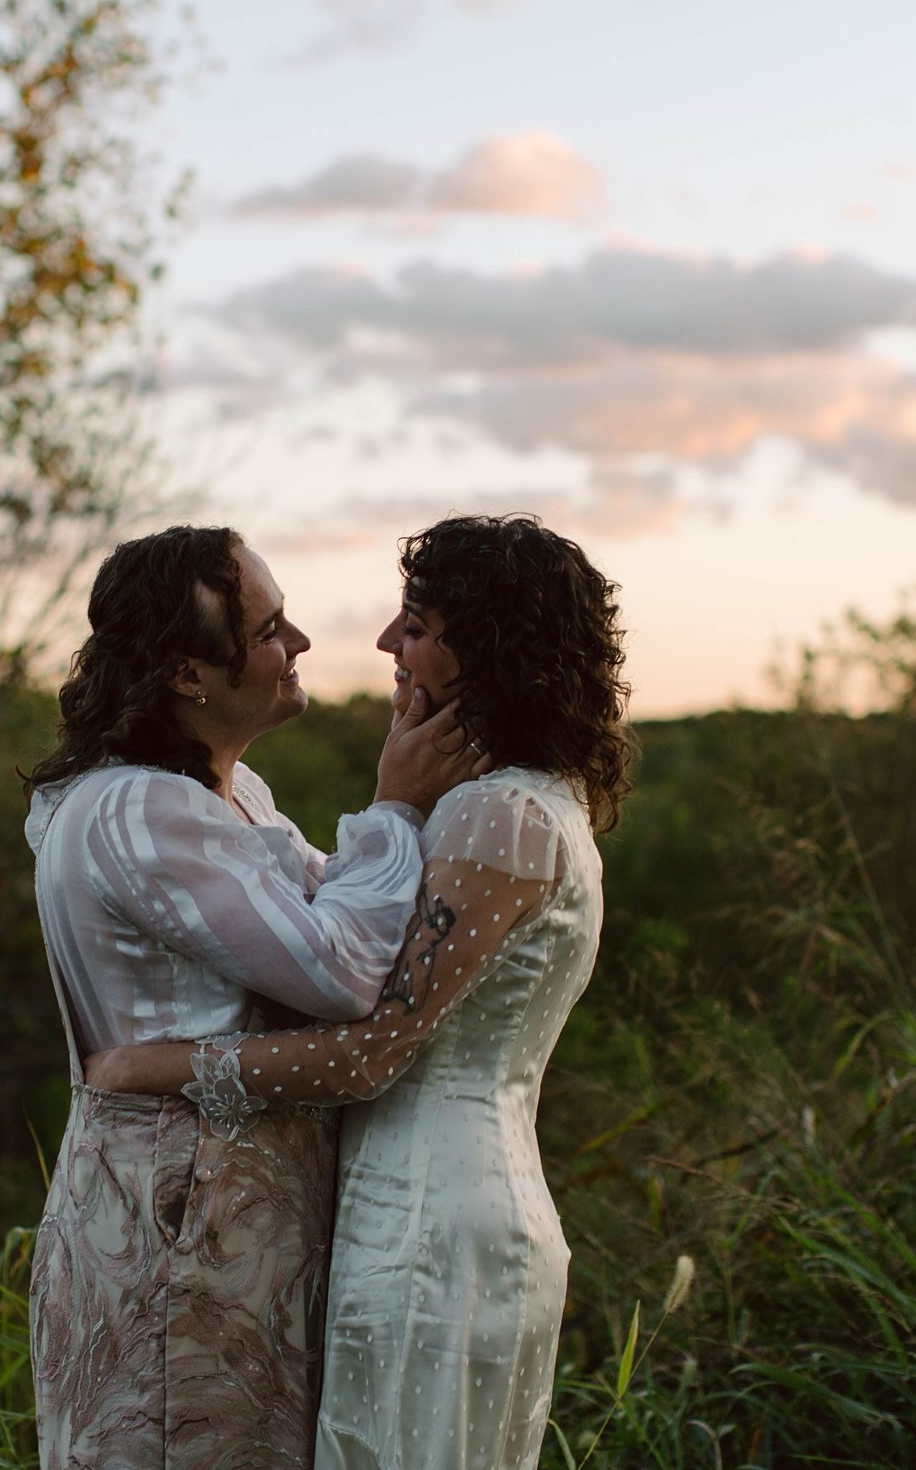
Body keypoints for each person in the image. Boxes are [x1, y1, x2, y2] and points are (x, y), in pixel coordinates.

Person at [84, 513, 635, 1470]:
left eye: (416, 624)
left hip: (430, 1220)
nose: (386, 642)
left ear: (489, 649)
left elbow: (374, 1049)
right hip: (433, 1203)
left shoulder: (495, 817)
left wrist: (157, 1068)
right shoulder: (523, 801)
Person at [22, 524, 485, 1470]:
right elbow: (342, 972)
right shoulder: (139, 811)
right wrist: (394, 806)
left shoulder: (230, 796)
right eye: (270, 628)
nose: (302, 643)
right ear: (191, 672)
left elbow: (350, 918)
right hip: (175, 1234)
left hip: (227, 1231)